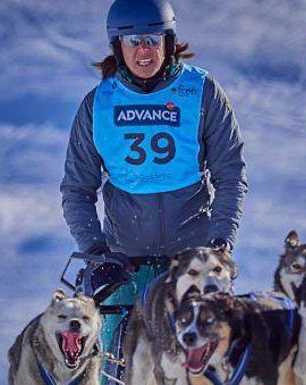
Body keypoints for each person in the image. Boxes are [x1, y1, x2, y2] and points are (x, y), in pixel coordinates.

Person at [60, 0, 247, 381]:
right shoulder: (99, 105)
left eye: (152, 40)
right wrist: (96, 254)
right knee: (112, 367)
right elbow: (77, 188)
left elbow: (229, 174)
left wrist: (220, 243)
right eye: (133, 42)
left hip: (189, 265)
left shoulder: (201, 92)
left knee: (200, 363)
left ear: (169, 40)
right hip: (123, 266)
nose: (143, 51)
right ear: (117, 47)